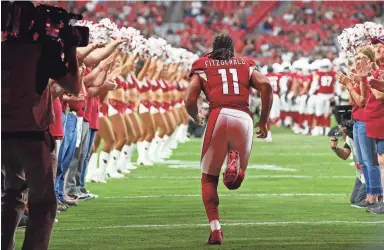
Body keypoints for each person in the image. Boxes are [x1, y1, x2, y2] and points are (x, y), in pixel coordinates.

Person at [1, 8, 80, 249]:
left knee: (12, 195)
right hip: (32, 133)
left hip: (4, 131)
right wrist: (70, 49)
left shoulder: (4, 48)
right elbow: (74, 86)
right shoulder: (40, 51)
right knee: (43, 202)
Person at [185, 34, 273, 245]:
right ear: (232, 50)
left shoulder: (202, 64)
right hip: (243, 117)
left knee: (208, 178)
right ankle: (234, 169)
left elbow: (189, 98)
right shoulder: (245, 63)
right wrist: (264, 120)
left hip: (218, 115)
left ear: (213, 49)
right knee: (234, 182)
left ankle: (215, 229)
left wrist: (196, 116)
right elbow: (266, 85)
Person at [329, 129, 366, 206]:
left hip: (369, 174)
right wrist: (335, 148)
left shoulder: (366, 136)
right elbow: (345, 155)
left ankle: (378, 197)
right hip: (360, 173)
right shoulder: (350, 137)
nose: (341, 131)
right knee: (354, 200)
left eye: (342, 128)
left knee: (359, 200)